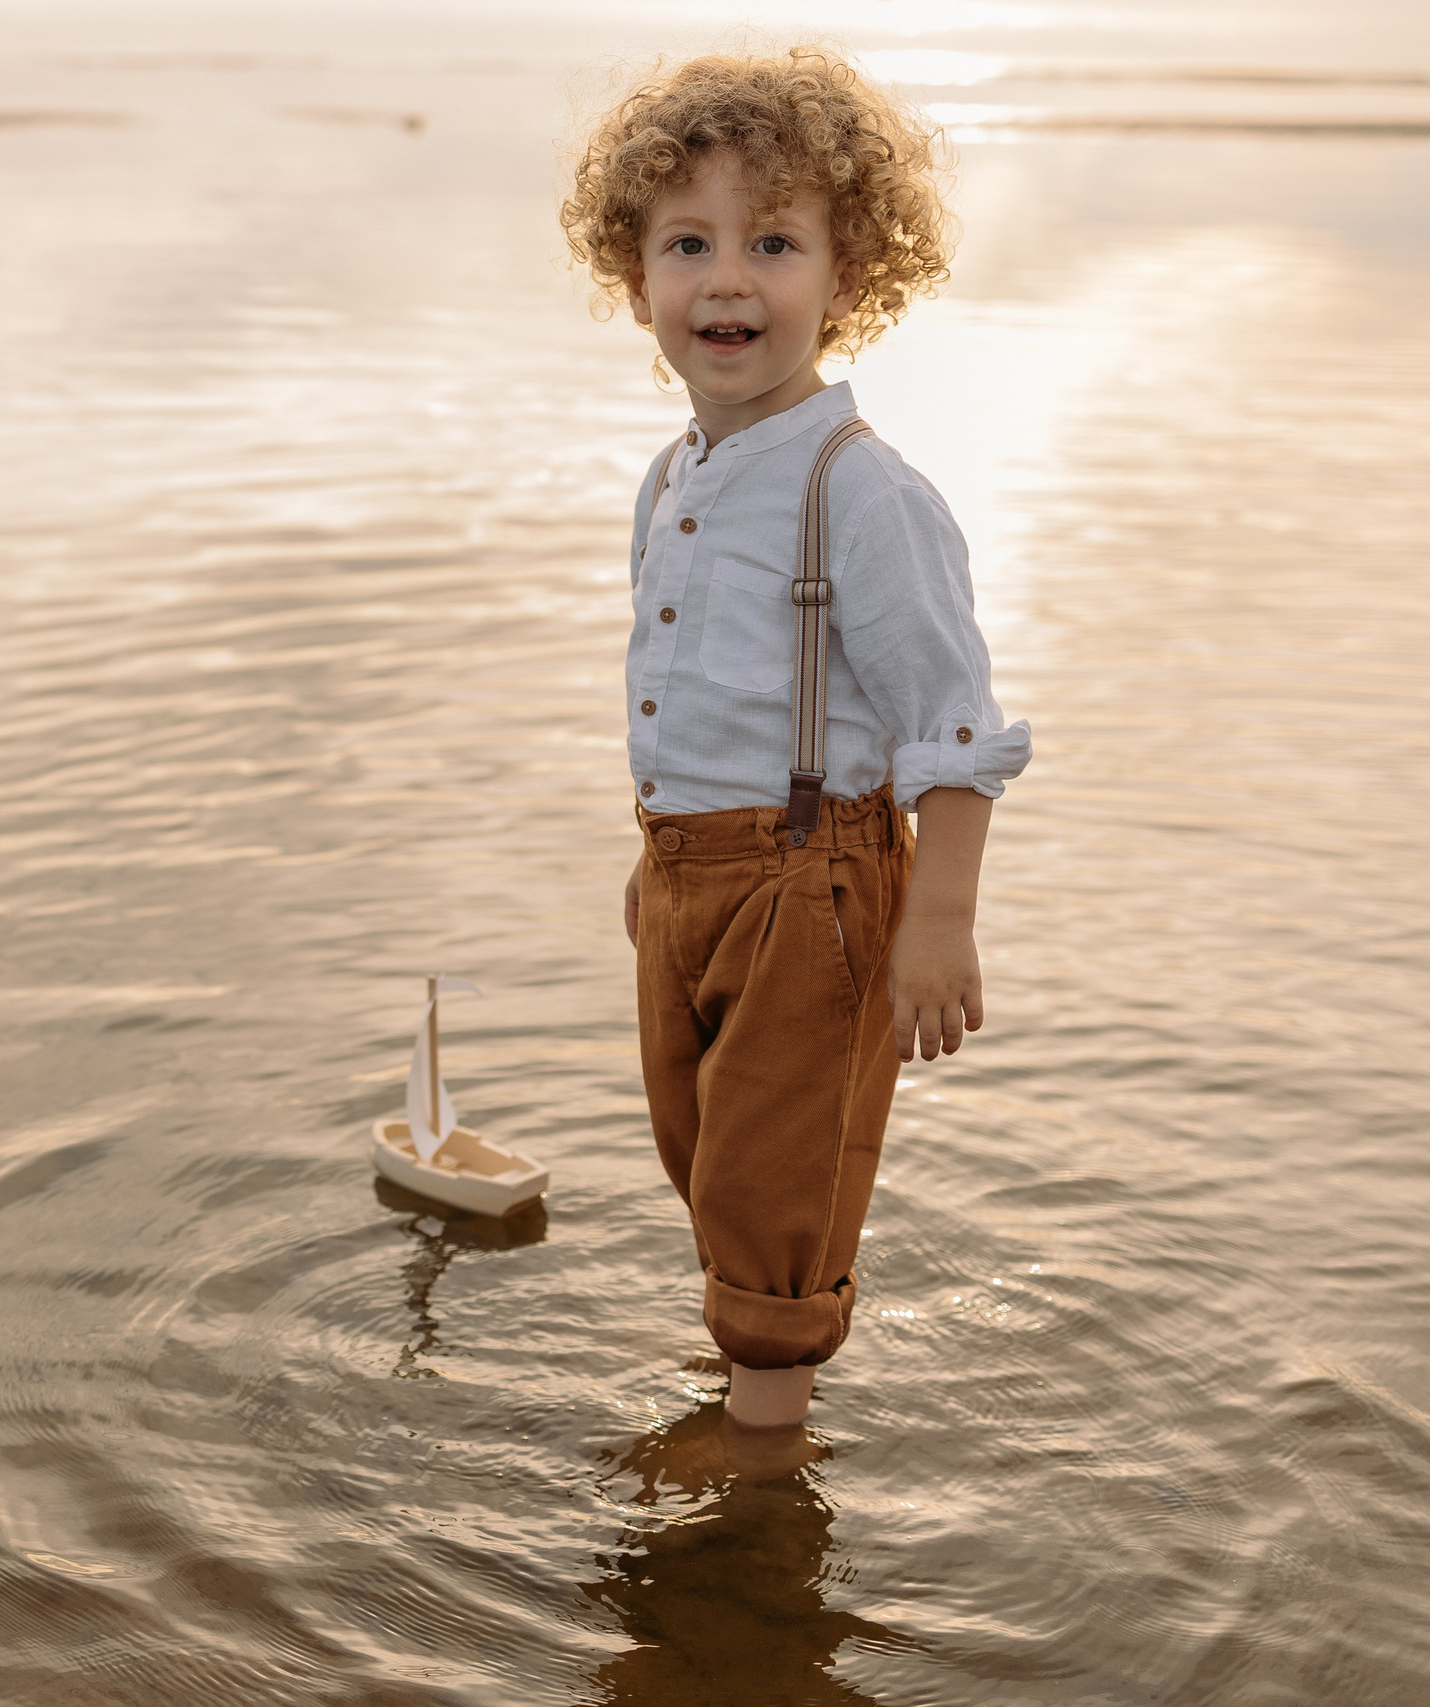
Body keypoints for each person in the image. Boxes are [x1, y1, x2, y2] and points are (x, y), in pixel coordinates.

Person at [560, 48, 1032, 1430]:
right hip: (690, 878)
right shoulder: (675, 477)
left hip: (811, 890)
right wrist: (662, 857)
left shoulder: (859, 490)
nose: (728, 281)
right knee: (704, 1156)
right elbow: (695, 697)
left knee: (777, 1193)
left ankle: (765, 1488)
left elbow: (952, 724)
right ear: (635, 276)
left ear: (847, 274)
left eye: (774, 243)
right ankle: (746, 1407)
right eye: (688, 243)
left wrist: (939, 921)